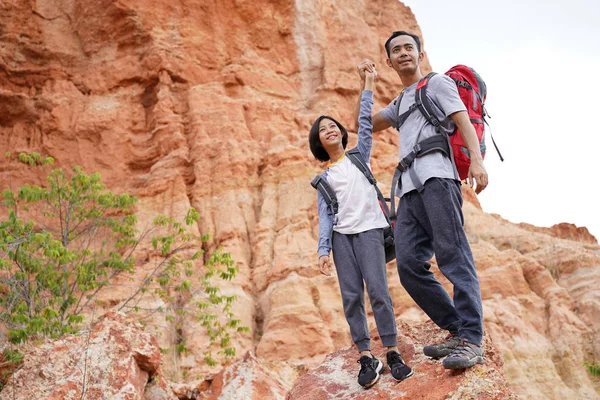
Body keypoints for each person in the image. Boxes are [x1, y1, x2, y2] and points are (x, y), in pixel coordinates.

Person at [355, 30, 487, 370]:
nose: (402, 54)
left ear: (420, 53)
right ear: (388, 61)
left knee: (452, 255)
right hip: (409, 191)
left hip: (438, 179)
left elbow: (461, 120)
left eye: (408, 48)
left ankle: (472, 339)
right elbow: (367, 125)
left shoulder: (438, 83)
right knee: (410, 265)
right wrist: (367, 84)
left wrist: (476, 160)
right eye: (395, 50)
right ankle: (456, 330)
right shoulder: (400, 101)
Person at [310, 69, 413, 388]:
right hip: (342, 240)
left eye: (332, 126)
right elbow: (325, 216)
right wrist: (323, 250)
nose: (328, 130)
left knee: (379, 292)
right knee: (351, 297)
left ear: (342, 133)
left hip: (370, 231)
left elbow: (366, 124)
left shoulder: (358, 157)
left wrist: (367, 85)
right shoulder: (322, 180)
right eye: (322, 129)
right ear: (318, 141)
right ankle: (367, 357)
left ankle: (393, 352)